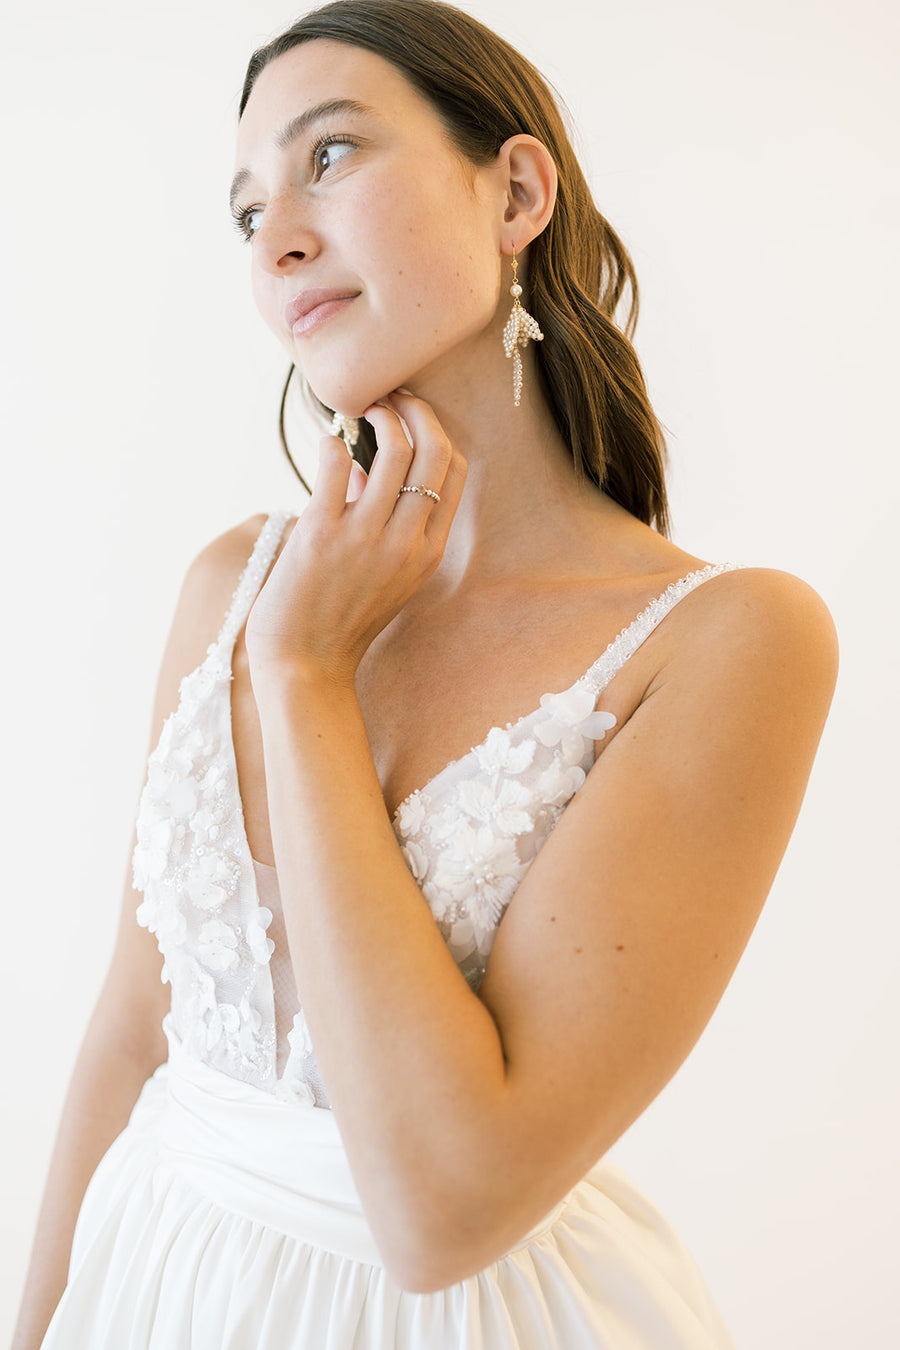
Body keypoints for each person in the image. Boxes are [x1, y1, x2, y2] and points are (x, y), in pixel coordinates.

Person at [14, 1, 838, 1346]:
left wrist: (308, 673)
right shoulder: (229, 581)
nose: (278, 236)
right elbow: (129, 1027)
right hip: (153, 1283)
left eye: (328, 156)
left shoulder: (728, 641)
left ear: (515, 191)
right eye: (246, 211)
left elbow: (442, 1206)